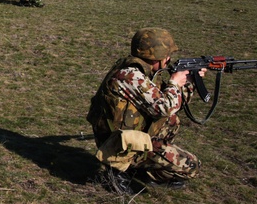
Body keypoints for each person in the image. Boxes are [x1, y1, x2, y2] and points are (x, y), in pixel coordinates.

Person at [86, 27, 205, 192]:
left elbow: (172, 106)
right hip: (119, 143)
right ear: (156, 56)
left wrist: (189, 83)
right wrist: (174, 83)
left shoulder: (138, 71)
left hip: (124, 136)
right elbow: (164, 107)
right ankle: (120, 169)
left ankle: (136, 166)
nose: (169, 59)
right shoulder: (131, 76)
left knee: (172, 121)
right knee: (192, 166)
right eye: (166, 56)